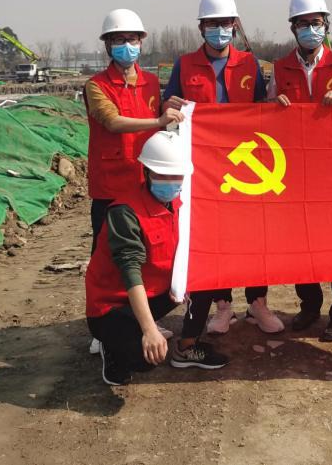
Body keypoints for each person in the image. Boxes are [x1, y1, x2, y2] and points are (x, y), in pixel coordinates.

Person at [161, 0, 282, 335]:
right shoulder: (185, 64)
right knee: (216, 238)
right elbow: (167, 105)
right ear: (201, 27)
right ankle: (223, 306)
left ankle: (257, 303)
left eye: (225, 23)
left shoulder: (248, 63)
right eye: (212, 24)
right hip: (206, 168)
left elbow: (260, 109)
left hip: (246, 164)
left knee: (254, 237)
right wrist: (169, 107)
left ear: (234, 25)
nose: (219, 30)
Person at [86, 130, 229, 385]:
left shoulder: (179, 204)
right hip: (113, 306)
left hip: (157, 293)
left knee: (206, 276)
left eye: (177, 175)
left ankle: (187, 347)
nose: (172, 182)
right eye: (163, 174)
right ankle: (112, 346)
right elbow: (130, 273)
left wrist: (182, 282)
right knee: (145, 359)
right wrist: (149, 329)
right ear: (147, 172)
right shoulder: (124, 213)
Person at [84, 8, 183, 354]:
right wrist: (158, 121)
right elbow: (112, 122)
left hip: (145, 184)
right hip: (110, 186)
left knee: (148, 256)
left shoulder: (151, 83)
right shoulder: (96, 86)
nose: (126, 46)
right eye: (118, 40)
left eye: (132, 39)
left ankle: (141, 319)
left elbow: (158, 117)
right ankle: (105, 329)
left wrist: (168, 109)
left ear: (141, 42)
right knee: (107, 258)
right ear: (107, 46)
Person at [269, 0, 332, 341]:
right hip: (295, 171)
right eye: (303, 23)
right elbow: (264, 113)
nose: (311, 29)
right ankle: (309, 305)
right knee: (301, 242)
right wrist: (273, 105)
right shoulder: (280, 68)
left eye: (317, 22)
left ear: (326, 25)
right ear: (293, 27)